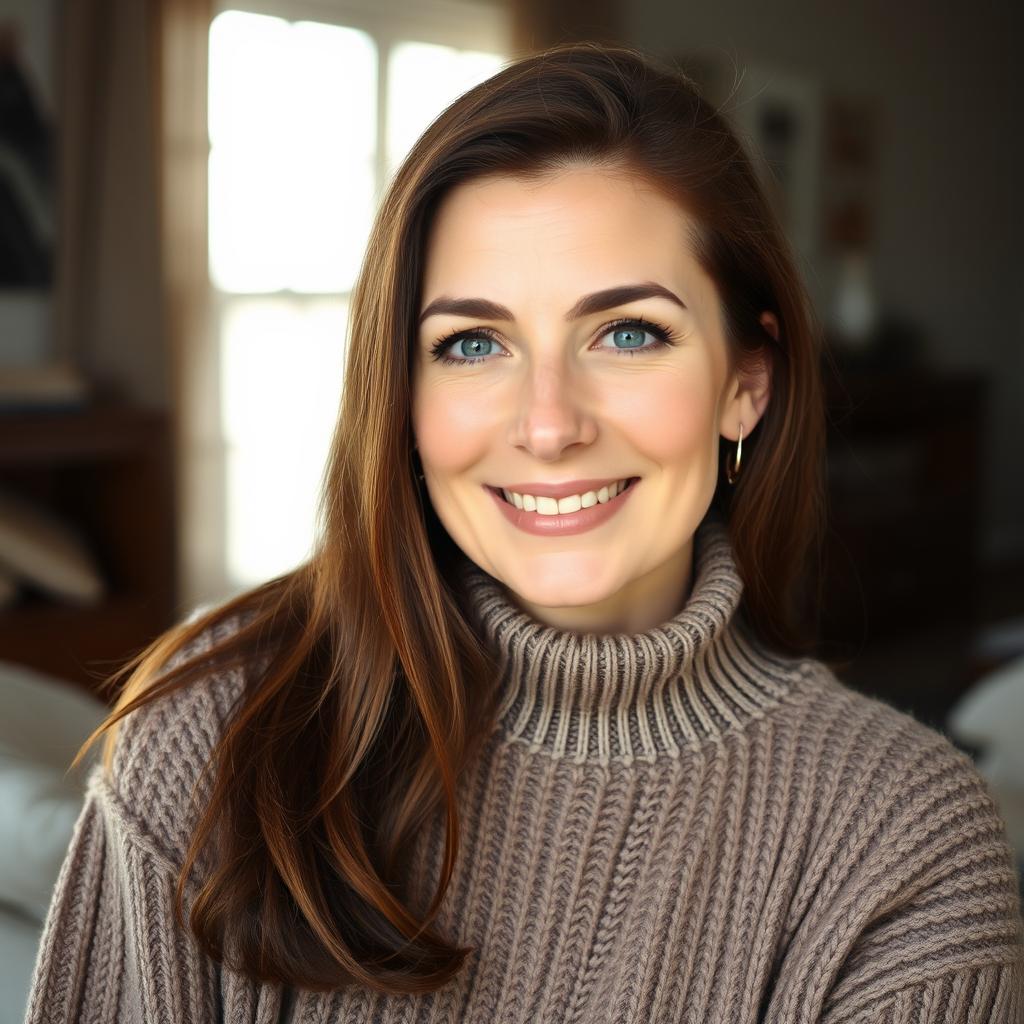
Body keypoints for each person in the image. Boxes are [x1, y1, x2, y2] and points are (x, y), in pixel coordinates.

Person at [25, 41, 1023, 1024]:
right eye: (471, 343)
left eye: (628, 333)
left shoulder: (903, 842)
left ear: (743, 382)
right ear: (402, 397)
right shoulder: (212, 732)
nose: (547, 424)